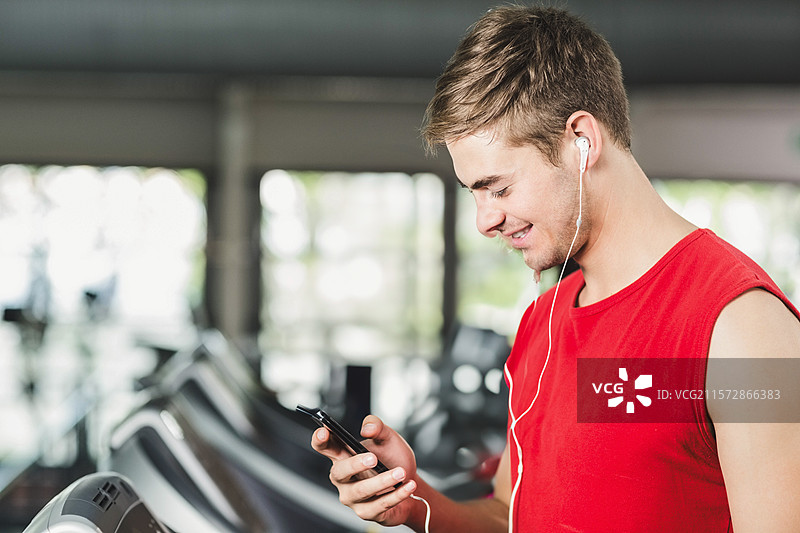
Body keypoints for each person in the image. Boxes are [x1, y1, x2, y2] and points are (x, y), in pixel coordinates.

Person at [311, 5, 800, 532]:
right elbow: (509, 515)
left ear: (581, 141)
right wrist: (414, 502)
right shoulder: (542, 322)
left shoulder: (743, 328)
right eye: (474, 193)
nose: (484, 221)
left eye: (499, 188)